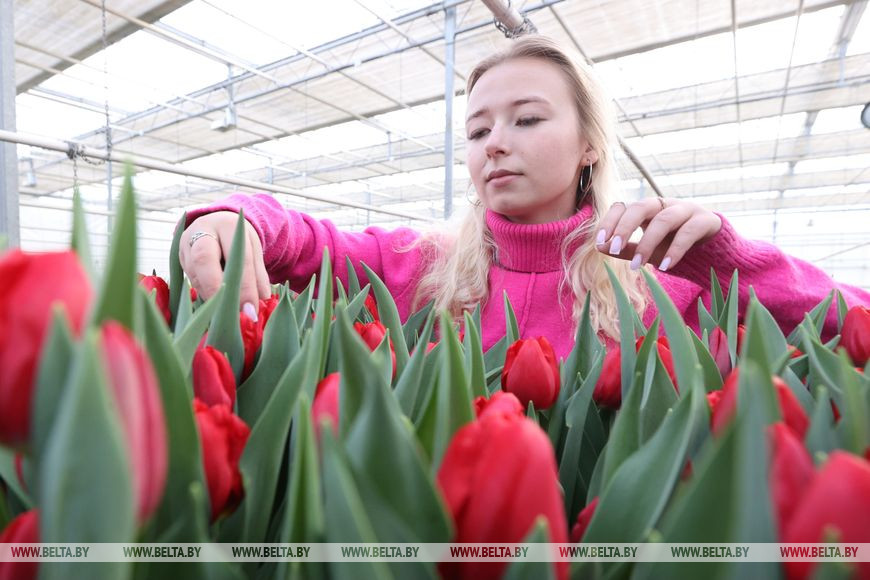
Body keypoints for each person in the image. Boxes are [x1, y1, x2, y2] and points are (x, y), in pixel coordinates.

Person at [178, 36, 870, 360]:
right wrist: (232, 220)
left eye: (528, 119)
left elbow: (853, 323)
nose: (495, 144)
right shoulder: (420, 267)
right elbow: (306, 240)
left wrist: (730, 265)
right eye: (478, 130)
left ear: (590, 145)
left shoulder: (663, 287)